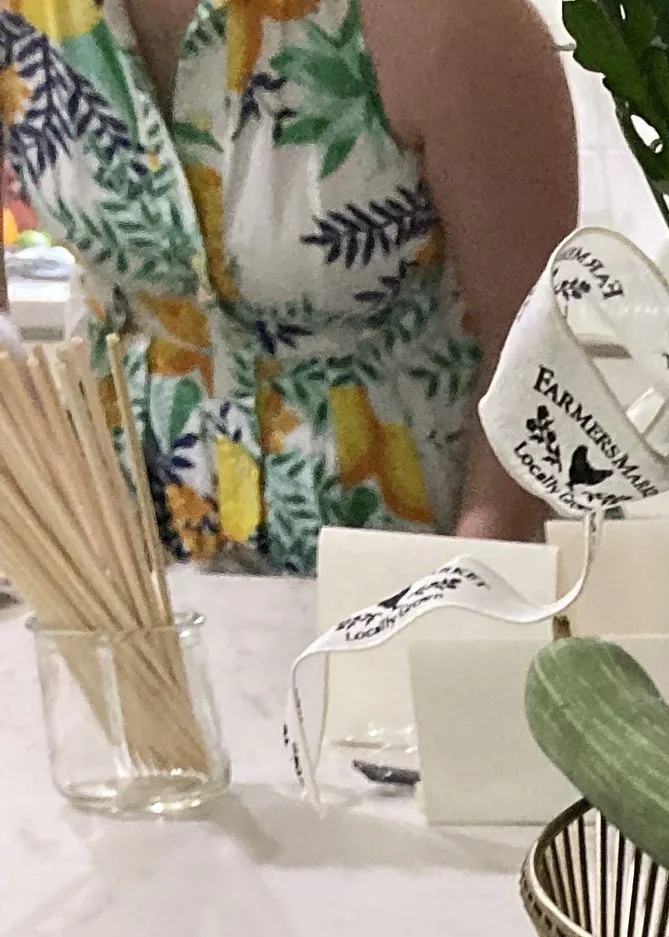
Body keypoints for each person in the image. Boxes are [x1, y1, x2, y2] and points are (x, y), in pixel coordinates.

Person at [0, 0, 577, 566]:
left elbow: (535, 349)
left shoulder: (448, 18)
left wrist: (473, 583)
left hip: (408, 560)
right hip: (123, 558)